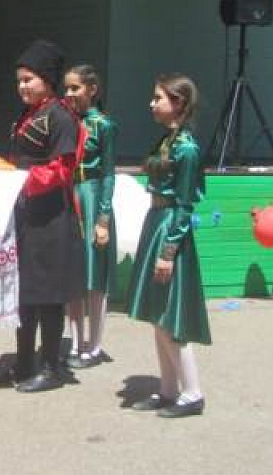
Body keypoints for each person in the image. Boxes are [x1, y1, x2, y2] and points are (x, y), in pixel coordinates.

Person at [126, 74, 210, 418]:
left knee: (169, 316)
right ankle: (167, 389)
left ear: (178, 104)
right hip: (156, 223)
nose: (152, 103)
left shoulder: (187, 149)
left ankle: (192, 393)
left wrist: (168, 252)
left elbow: (186, 204)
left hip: (169, 229)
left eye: (158, 97)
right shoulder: (168, 141)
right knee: (157, 316)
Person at [6, 40, 86, 393]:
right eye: (20, 80)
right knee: (24, 291)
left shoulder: (60, 116)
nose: (23, 86)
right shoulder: (28, 115)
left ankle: (52, 368)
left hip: (52, 217)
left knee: (48, 294)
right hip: (27, 214)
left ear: (48, 81)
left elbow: (62, 168)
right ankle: (24, 363)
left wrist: (20, 182)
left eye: (29, 79)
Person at [61, 64, 117, 369]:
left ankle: (94, 345)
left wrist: (103, 219)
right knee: (73, 274)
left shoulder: (103, 125)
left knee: (95, 276)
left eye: (75, 88)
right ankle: (74, 340)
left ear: (92, 90)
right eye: (66, 88)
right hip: (72, 194)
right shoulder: (66, 122)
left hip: (93, 196)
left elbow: (108, 173)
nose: (69, 94)